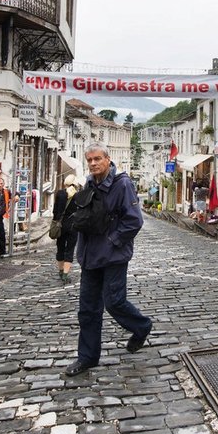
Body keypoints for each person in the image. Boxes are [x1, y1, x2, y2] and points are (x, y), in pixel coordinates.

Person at [65, 142, 151, 377]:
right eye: (89, 160)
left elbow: (134, 221)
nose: (93, 163)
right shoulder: (90, 182)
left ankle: (141, 326)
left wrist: (113, 241)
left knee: (114, 302)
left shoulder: (122, 184)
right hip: (90, 256)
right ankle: (87, 358)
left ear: (107, 159)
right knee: (88, 310)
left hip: (113, 256)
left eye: (97, 159)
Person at [52, 173, 80, 283]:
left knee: (60, 247)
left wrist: (56, 220)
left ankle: (60, 270)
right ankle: (65, 274)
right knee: (70, 249)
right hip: (73, 226)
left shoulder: (60, 194)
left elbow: (55, 211)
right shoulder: (78, 195)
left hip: (61, 225)